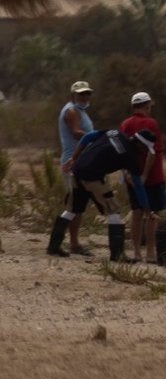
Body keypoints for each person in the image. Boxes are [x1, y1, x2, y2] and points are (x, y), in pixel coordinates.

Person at [49, 126, 155, 260]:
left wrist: (74, 158)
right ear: (140, 144)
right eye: (145, 149)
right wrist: (147, 209)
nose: (144, 152)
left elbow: (87, 137)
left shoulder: (115, 133)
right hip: (93, 177)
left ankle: (53, 246)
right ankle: (117, 254)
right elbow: (138, 185)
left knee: (71, 210)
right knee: (114, 211)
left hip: (77, 171)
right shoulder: (130, 157)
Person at [119, 91, 166, 265]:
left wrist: (126, 173)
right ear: (147, 105)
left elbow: (121, 150)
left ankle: (136, 252)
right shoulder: (151, 123)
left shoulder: (125, 124)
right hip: (153, 176)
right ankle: (150, 252)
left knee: (136, 212)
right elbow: (152, 152)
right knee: (152, 214)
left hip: (131, 175)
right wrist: (145, 175)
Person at [56, 80, 94, 254]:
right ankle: (62, 242)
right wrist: (97, 138)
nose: (85, 97)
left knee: (77, 204)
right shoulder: (71, 111)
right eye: (81, 94)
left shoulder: (81, 111)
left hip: (80, 161)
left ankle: (73, 242)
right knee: (73, 204)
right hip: (72, 162)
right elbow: (76, 132)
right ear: (73, 95)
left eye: (87, 93)